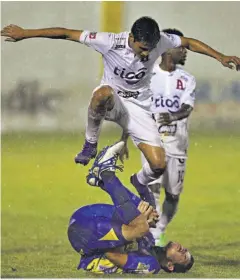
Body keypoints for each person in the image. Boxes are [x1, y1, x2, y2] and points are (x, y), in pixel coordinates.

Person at [1, 17, 240, 208]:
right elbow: (66, 33)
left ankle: (139, 181)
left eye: (151, 49)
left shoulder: (160, 41)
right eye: (143, 48)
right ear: (132, 38)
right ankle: (90, 143)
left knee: (159, 165)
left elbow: (187, 42)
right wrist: (26, 33)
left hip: (140, 108)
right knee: (101, 94)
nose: (147, 54)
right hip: (114, 100)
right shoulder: (109, 41)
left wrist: (220, 57)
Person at [67, 141, 194, 274]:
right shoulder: (149, 241)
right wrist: (143, 212)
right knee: (150, 216)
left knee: (142, 226)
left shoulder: (151, 266)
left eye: (184, 256)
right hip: (88, 219)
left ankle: (106, 174)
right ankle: (105, 180)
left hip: (84, 232)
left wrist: (138, 224)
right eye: (186, 249)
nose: (183, 249)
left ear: (170, 266)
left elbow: (113, 255)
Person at [144, 28, 196, 246]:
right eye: (181, 47)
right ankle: (154, 236)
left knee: (173, 194)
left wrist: (170, 116)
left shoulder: (187, 79)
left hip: (177, 145)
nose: (185, 51)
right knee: (152, 191)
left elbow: (187, 108)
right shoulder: (148, 76)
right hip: (153, 142)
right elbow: (136, 109)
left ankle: (161, 227)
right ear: (167, 49)